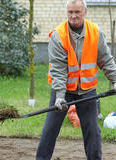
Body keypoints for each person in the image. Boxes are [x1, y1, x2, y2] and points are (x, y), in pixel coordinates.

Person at [37, 0, 116, 159]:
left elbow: (105, 59)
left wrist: (115, 80)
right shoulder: (58, 35)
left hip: (87, 91)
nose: (73, 16)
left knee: (92, 131)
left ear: (85, 12)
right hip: (63, 91)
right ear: (67, 13)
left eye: (77, 12)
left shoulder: (95, 32)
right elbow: (58, 69)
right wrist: (59, 96)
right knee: (50, 129)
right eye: (70, 12)